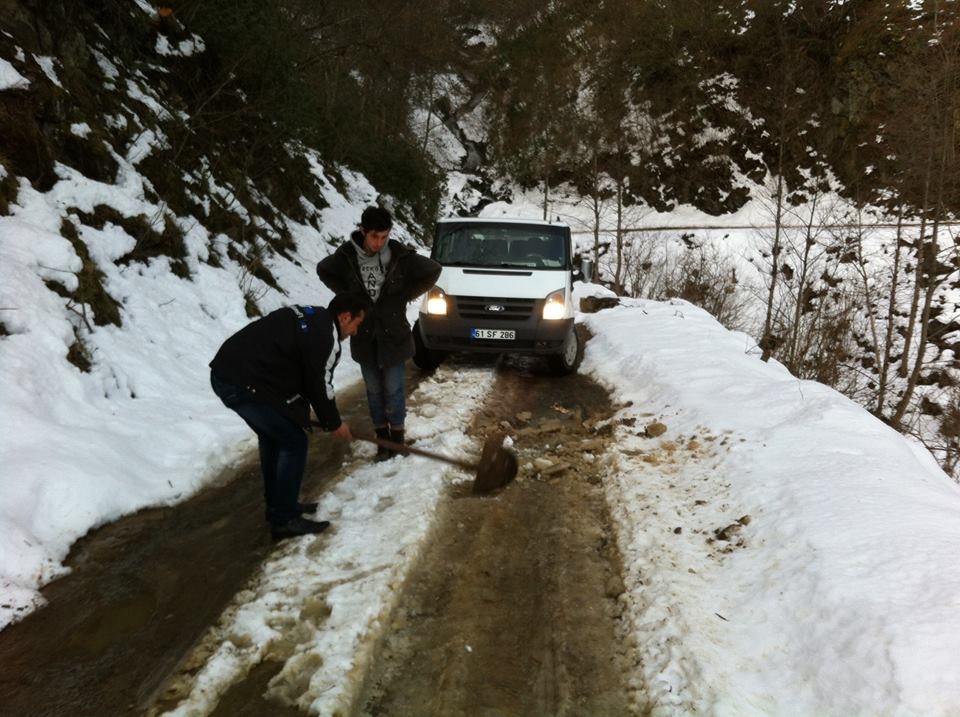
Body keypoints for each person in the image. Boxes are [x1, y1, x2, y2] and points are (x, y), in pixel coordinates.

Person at [209, 293, 367, 540]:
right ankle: (284, 519)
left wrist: (308, 416)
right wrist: (333, 422)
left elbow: (300, 376)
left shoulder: (316, 319)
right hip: (242, 381)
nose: (355, 332)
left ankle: (280, 507)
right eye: (357, 324)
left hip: (231, 373)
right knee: (293, 441)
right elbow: (319, 384)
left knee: (274, 437)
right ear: (346, 317)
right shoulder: (325, 337)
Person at [316, 206, 441, 460]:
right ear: (363, 231)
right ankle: (382, 442)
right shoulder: (347, 255)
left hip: (394, 335)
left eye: (384, 237)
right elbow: (323, 270)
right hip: (364, 336)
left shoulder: (398, 255)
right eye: (374, 237)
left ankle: (397, 440)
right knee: (374, 391)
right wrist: (346, 295)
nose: (379, 243)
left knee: (394, 389)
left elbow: (432, 270)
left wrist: (405, 295)